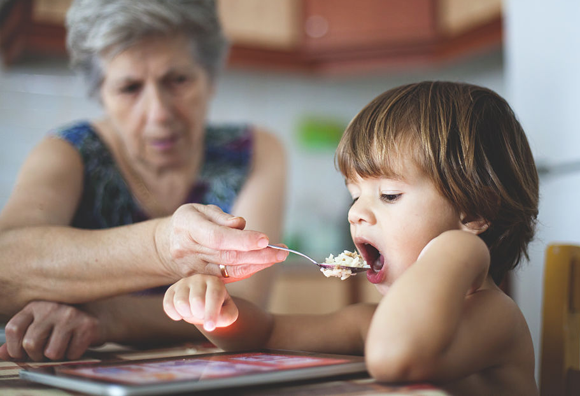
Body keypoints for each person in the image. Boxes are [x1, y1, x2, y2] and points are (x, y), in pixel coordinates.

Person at [162, 82, 540, 395]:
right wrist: (214, 310)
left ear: (473, 214)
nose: (354, 213)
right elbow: (268, 332)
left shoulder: (496, 316)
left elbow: (396, 357)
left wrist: (457, 249)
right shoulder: (374, 322)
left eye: (389, 194)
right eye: (355, 194)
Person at [0, 0, 288, 361]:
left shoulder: (255, 151)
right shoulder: (70, 152)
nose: (158, 114)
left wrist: (106, 317)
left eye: (178, 80)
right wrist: (164, 246)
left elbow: (241, 304)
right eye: (129, 88)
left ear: (211, 78)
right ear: (100, 94)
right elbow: (5, 263)